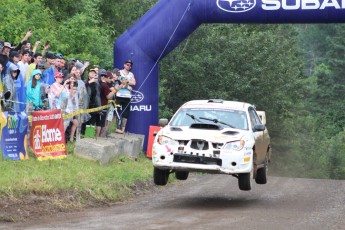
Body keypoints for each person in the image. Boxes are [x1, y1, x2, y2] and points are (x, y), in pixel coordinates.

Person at [115, 60, 136, 134]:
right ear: (124, 65)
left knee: (126, 113)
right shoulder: (119, 72)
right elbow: (117, 79)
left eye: (130, 65)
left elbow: (133, 82)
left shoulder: (131, 74)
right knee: (116, 111)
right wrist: (125, 83)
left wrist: (126, 82)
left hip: (127, 96)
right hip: (119, 95)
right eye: (127, 64)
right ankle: (115, 127)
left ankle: (123, 129)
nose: (128, 66)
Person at [84, 69, 101, 137]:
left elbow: (97, 96)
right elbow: (82, 87)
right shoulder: (85, 81)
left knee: (92, 121)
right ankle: (82, 134)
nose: (92, 74)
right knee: (84, 121)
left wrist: (99, 107)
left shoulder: (96, 84)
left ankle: (89, 135)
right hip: (86, 104)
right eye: (91, 72)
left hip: (93, 104)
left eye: (94, 73)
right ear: (88, 74)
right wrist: (90, 82)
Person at [99, 70, 116, 137]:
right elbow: (109, 96)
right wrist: (115, 90)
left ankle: (96, 136)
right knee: (100, 124)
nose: (111, 80)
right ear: (107, 77)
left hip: (100, 105)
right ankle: (99, 137)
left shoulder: (102, 84)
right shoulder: (104, 85)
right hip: (102, 106)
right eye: (110, 78)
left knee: (98, 123)